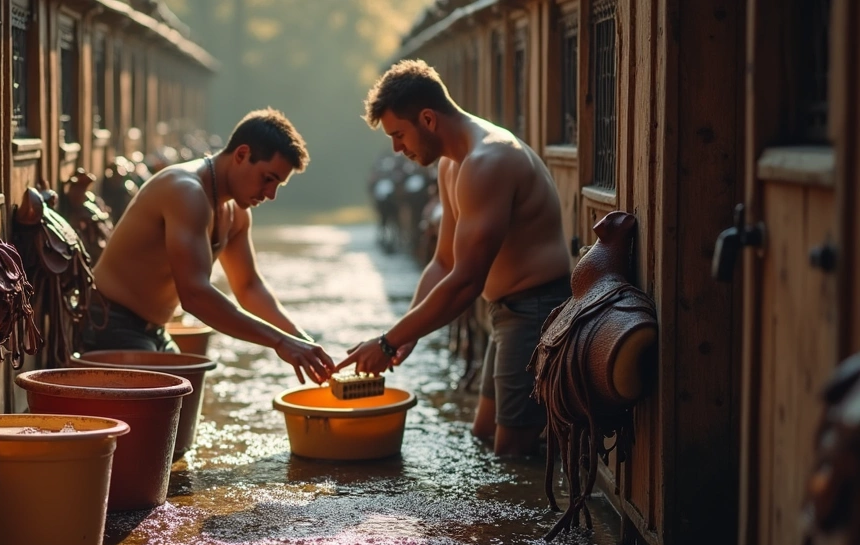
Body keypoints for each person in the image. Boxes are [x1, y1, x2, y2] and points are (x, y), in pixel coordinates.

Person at [339, 59, 572, 457]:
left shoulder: (488, 160)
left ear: (428, 119)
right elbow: (444, 262)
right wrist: (406, 335)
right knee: (483, 435)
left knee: (510, 454)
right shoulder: (452, 163)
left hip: (536, 311)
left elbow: (466, 281)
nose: (397, 148)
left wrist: (387, 342)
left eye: (399, 135)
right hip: (507, 311)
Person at [84, 108, 336, 384]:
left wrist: (300, 340)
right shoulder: (186, 191)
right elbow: (195, 296)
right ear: (241, 155)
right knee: (172, 400)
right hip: (108, 323)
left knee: (186, 398)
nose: (271, 195)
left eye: (278, 185)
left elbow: (248, 287)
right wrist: (280, 342)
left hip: (153, 330)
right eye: (267, 179)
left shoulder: (236, 212)